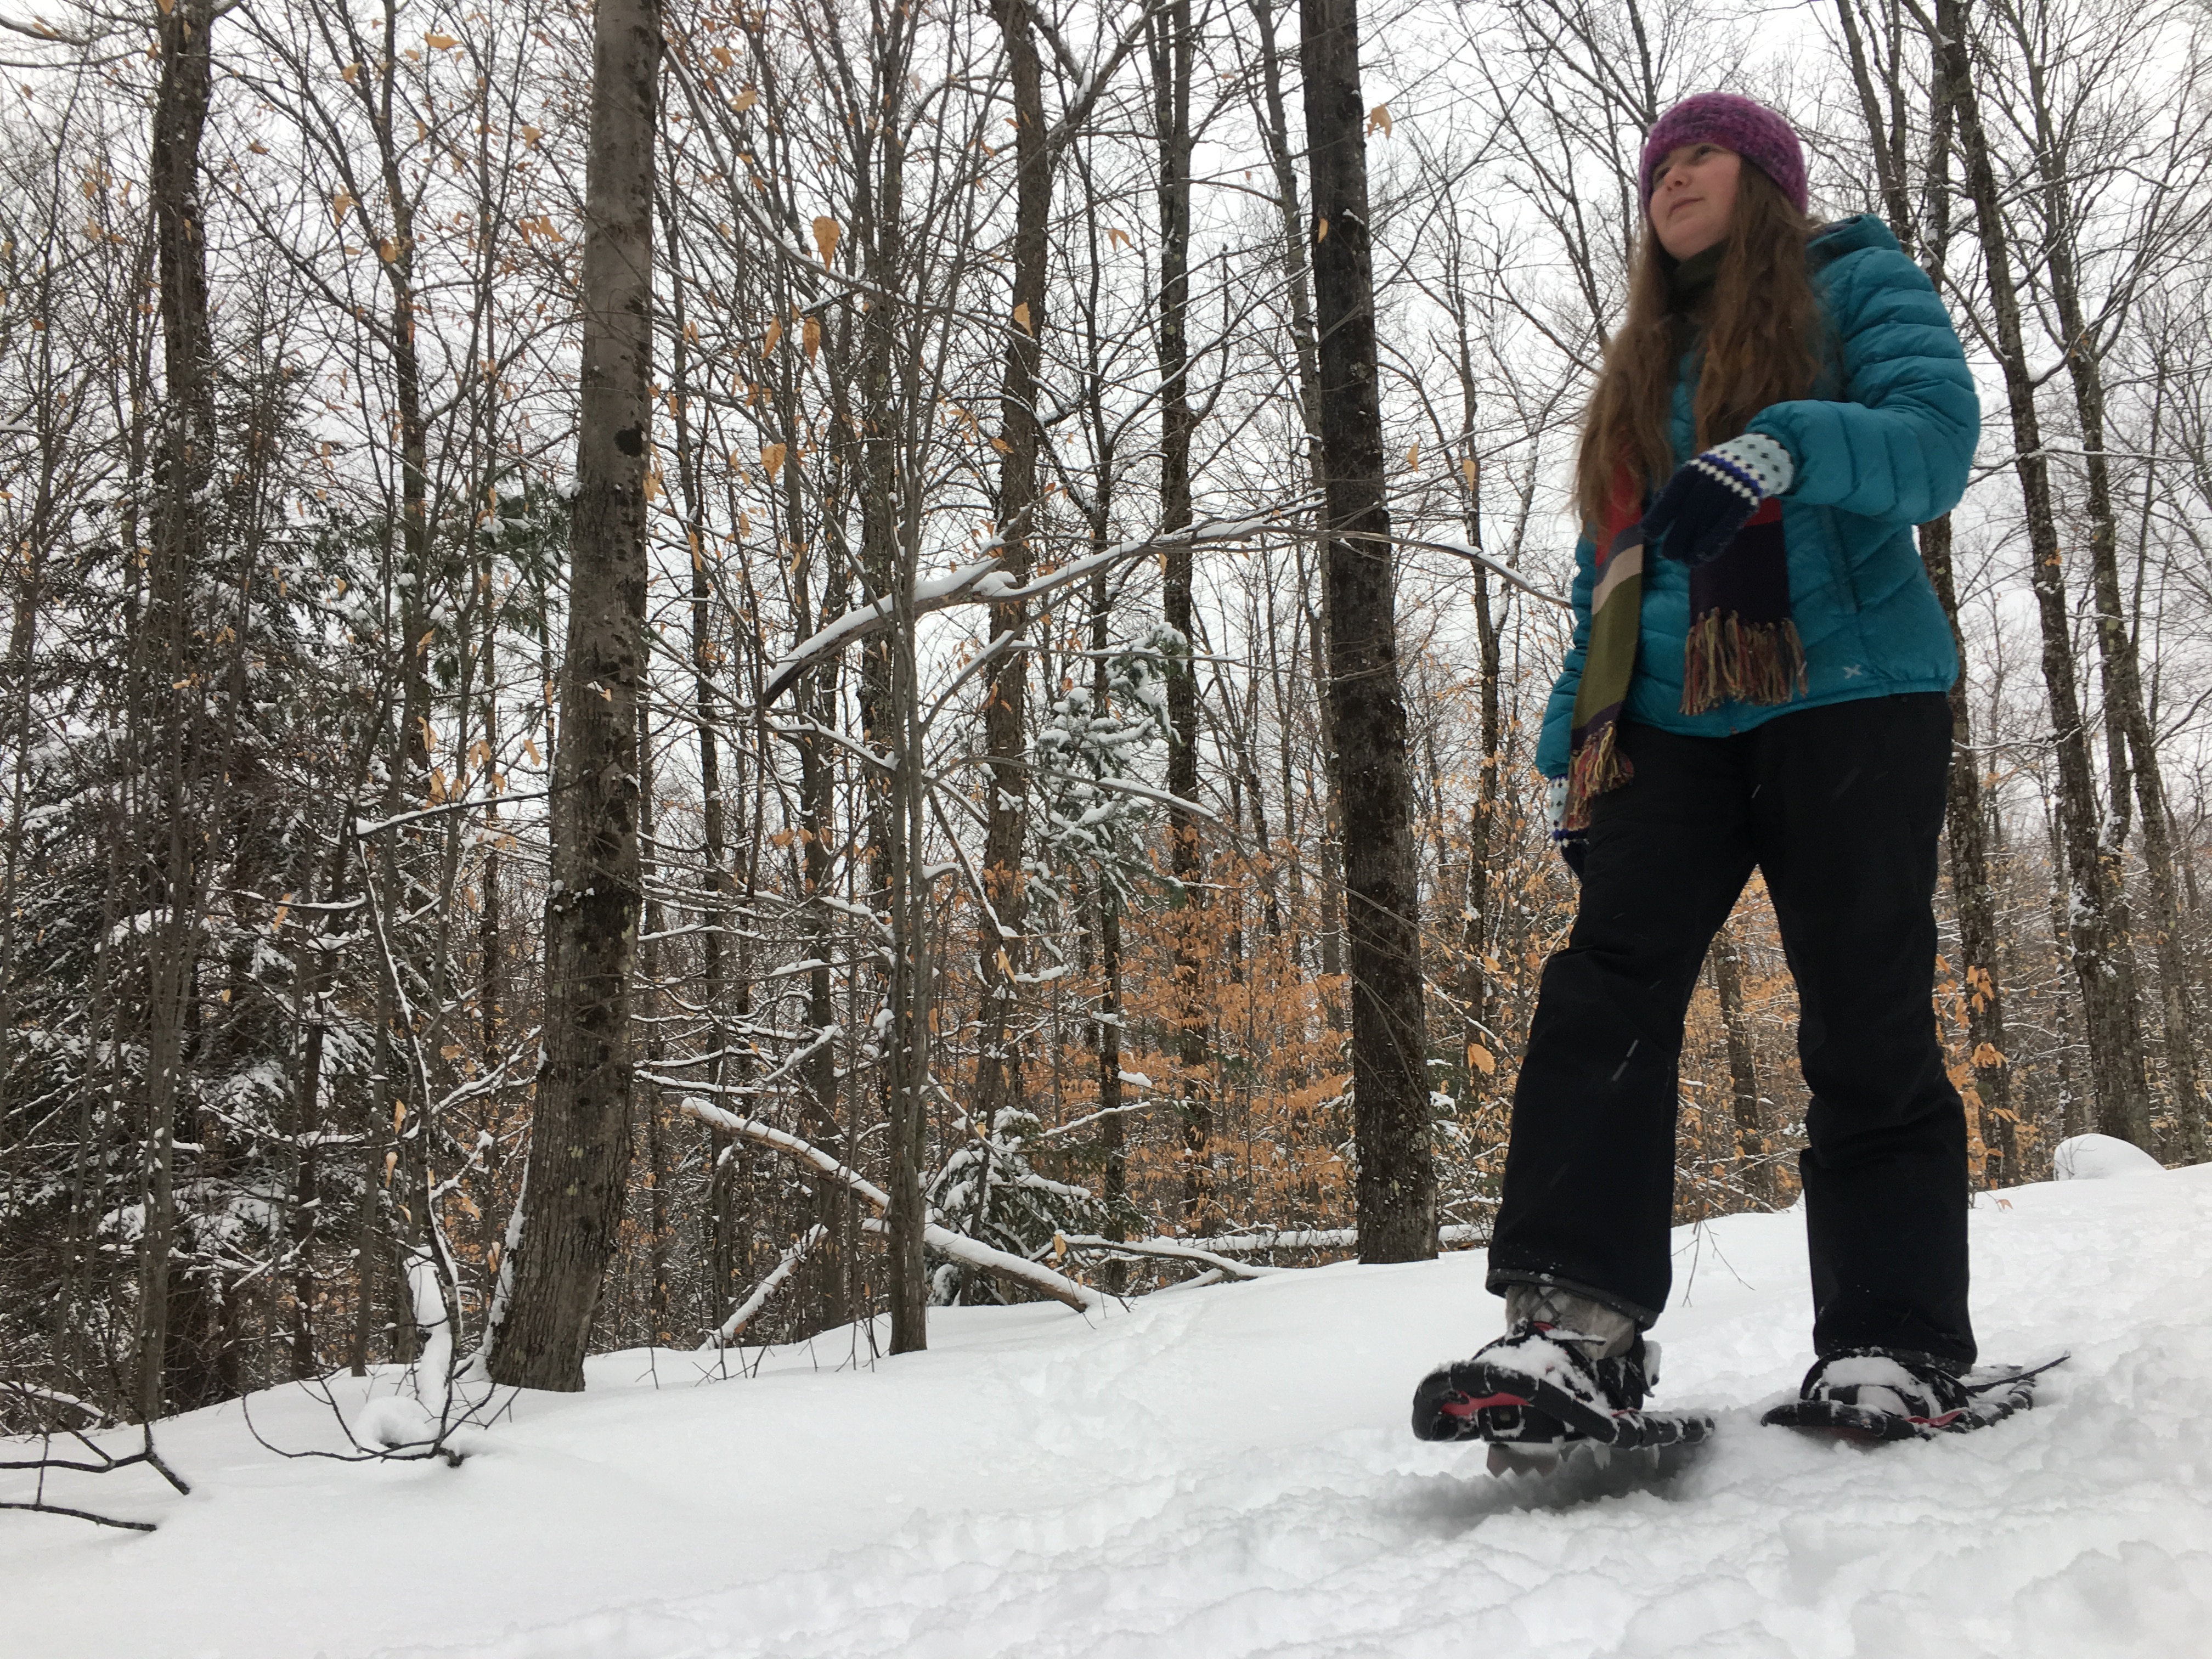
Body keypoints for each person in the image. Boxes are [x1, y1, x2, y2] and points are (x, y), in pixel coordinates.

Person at [1412, 94, 1987, 1451]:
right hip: (1667, 721)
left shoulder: (1860, 286)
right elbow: (1607, 579)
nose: (1672, 176)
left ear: (1770, 182)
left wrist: (1787, 440)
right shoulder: (1643, 361)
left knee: (1865, 1007)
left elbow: (1934, 442)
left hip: (1852, 696)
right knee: (1604, 985)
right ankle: (1573, 1329)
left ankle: (1892, 1344)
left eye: (1704, 155)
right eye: (1659, 163)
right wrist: (1573, 748)